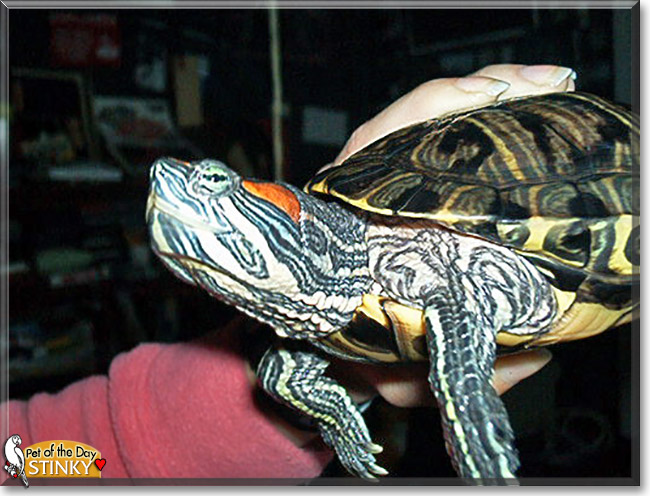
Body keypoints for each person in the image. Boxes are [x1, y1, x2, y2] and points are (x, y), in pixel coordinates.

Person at [1, 64, 575, 480]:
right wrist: (334, 406)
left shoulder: (398, 247)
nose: (164, 190)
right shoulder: (294, 344)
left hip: (577, 201)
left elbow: (47, 457)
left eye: (212, 185)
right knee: (281, 371)